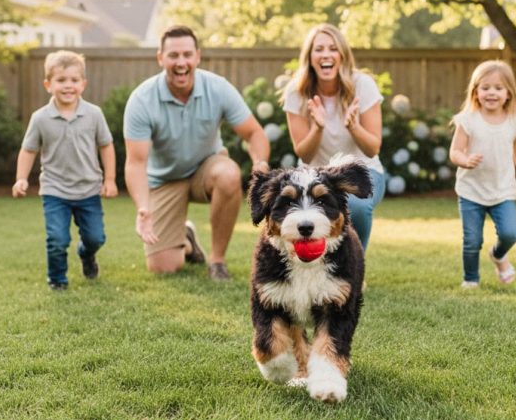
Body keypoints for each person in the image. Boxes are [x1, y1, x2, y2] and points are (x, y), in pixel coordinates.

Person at [123, 25, 270, 281]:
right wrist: (143, 208)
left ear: (197, 56)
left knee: (229, 174)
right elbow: (136, 163)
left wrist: (260, 163)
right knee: (163, 266)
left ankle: (217, 261)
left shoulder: (218, 88)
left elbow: (253, 133)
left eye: (187, 55)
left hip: (206, 169)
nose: (181, 62)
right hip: (164, 180)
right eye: (173, 55)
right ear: (160, 58)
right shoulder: (142, 99)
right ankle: (188, 241)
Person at [12, 50, 118, 291]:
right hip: (55, 190)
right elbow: (28, 150)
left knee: (95, 238)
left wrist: (110, 179)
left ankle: (86, 254)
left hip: (88, 190)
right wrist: (21, 179)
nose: (68, 85)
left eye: (74, 80)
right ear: (48, 85)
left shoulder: (94, 114)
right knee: (57, 240)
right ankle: (57, 280)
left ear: (83, 84)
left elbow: (106, 145)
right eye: (61, 80)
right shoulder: (40, 118)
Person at [282, 23, 385, 252]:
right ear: (309, 57)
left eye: (333, 48)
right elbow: (304, 154)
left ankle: (356, 260)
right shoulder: (296, 91)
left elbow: (373, 148)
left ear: (342, 55)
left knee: (356, 206)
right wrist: (317, 128)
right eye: (319, 49)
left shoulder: (363, 85)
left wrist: (354, 127)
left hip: (363, 170)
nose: (326, 54)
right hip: (314, 174)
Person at [449, 60, 516, 289]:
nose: (491, 93)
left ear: (508, 93)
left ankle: (498, 254)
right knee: (472, 241)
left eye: (498, 88)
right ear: (476, 91)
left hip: (502, 191)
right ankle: (471, 279)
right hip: (471, 191)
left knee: (510, 233)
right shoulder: (468, 121)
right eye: (485, 88)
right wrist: (464, 160)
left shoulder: (514, 123)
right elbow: (455, 151)